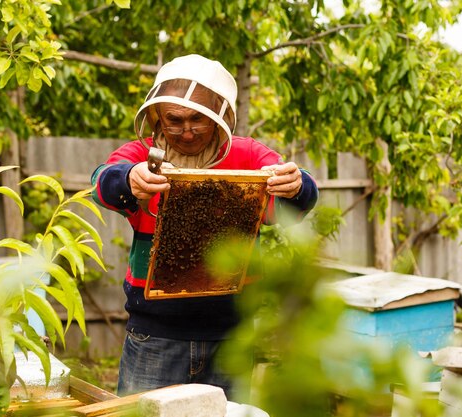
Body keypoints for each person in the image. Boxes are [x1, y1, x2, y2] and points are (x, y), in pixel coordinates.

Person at [91, 54, 318, 398]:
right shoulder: (141, 154)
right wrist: (128, 179)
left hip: (232, 337)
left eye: (197, 119)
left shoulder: (249, 155)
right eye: (175, 120)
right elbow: (101, 181)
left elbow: (293, 203)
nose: (185, 130)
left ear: (219, 115)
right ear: (157, 117)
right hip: (156, 336)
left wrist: (297, 185)